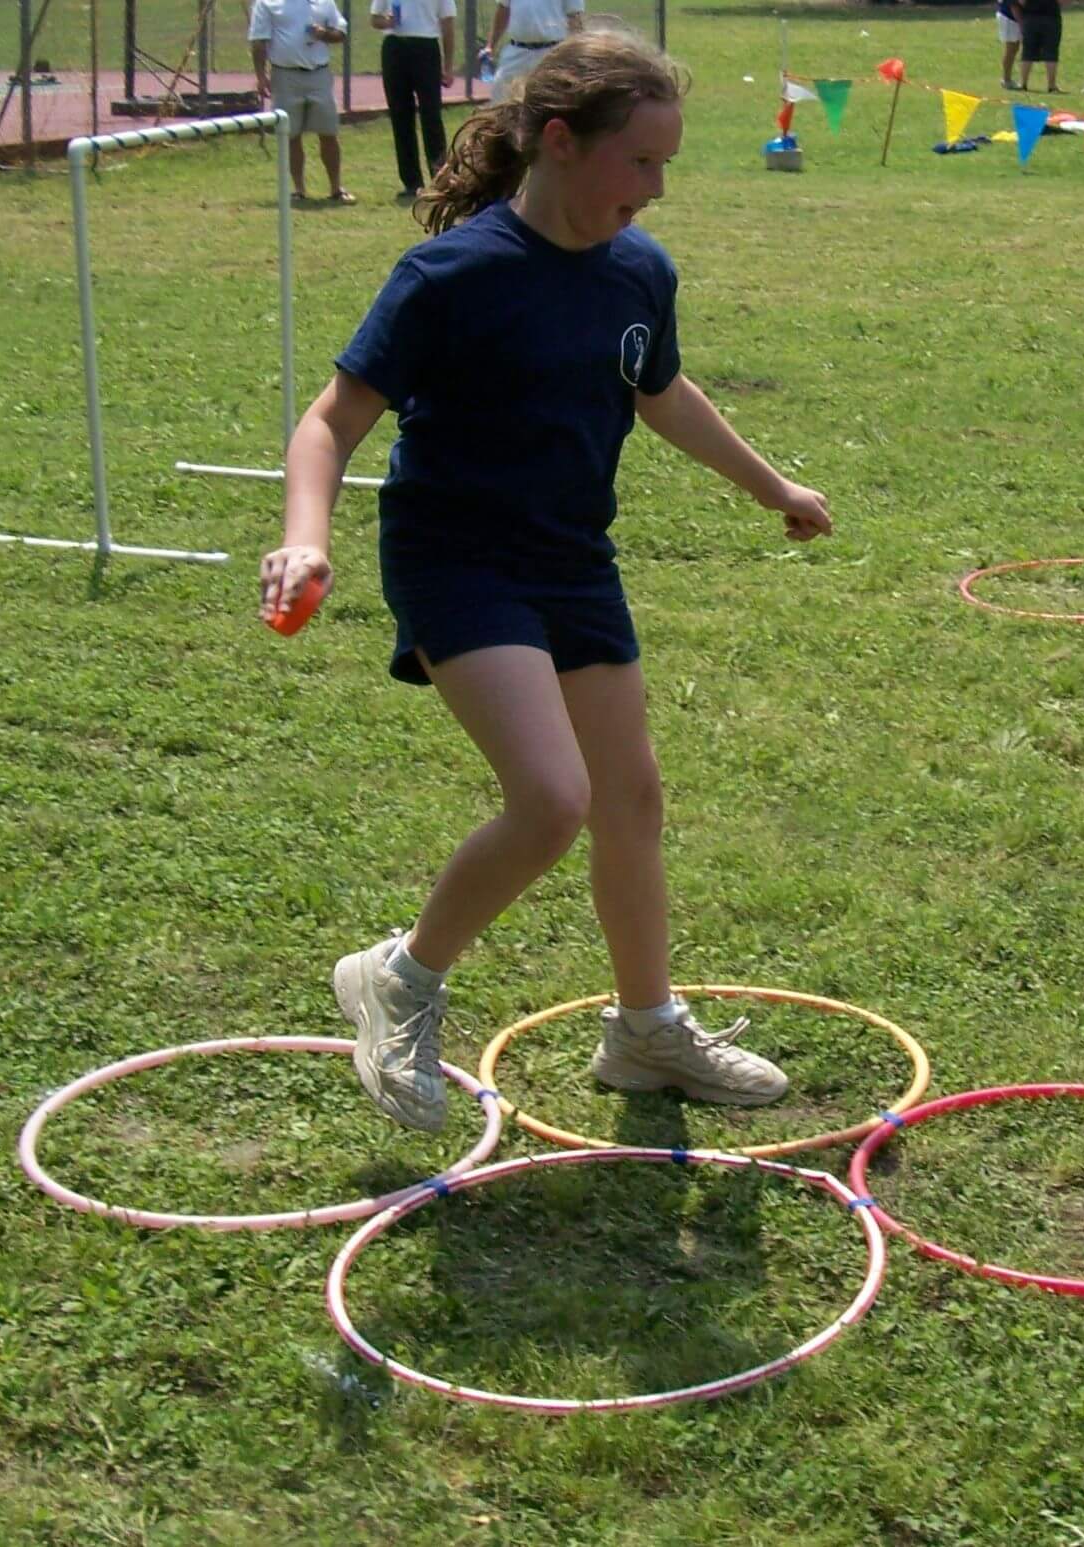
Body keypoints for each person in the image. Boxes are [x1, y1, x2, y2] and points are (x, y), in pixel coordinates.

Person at [257, 28, 833, 1134]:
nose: (656, 191)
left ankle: (644, 1031)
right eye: (642, 163)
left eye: (667, 166)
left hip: (572, 555)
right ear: (561, 143)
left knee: (631, 797)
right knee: (553, 797)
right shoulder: (451, 275)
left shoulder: (637, 271)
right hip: (457, 555)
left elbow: (659, 393)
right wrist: (305, 536)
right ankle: (400, 976)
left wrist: (772, 486)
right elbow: (334, 417)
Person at [248, 0, 356, 204]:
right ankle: (298, 190)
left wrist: (323, 34)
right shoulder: (268, 3)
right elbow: (258, 41)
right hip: (285, 75)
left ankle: (336, 189)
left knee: (329, 133)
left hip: (319, 74)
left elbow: (341, 32)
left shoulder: (324, 2)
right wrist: (261, 76)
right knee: (291, 135)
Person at [370, 0, 455, 203]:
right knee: (400, 117)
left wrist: (449, 65)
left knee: (431, 116)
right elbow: (374, 19)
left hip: (426, 46)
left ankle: (440, 179)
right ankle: (411, 182)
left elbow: (448, 23)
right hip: (395, 47)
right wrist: (387, 22)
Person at [485, 0, 585, 93]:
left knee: (551, 100)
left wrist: (578, 53)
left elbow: (574, 16)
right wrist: (490, 46)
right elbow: (503, 9)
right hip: (516, 52)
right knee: (501, 97)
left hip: (552, 53)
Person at [1016, 0, 1061, 94]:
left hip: (1031, 17)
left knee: (1027, 52)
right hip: (1051, 17)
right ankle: (1051, 86)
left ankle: (1023, 83)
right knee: (1051, 52)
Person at [994, 0, 1020, 91]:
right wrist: (1021, 23)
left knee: (1015, 48)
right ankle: (1006, 79)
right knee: (1010, 49)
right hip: (1008, 17)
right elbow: (1013, 5)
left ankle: (1007, 79)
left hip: (1013, 16)